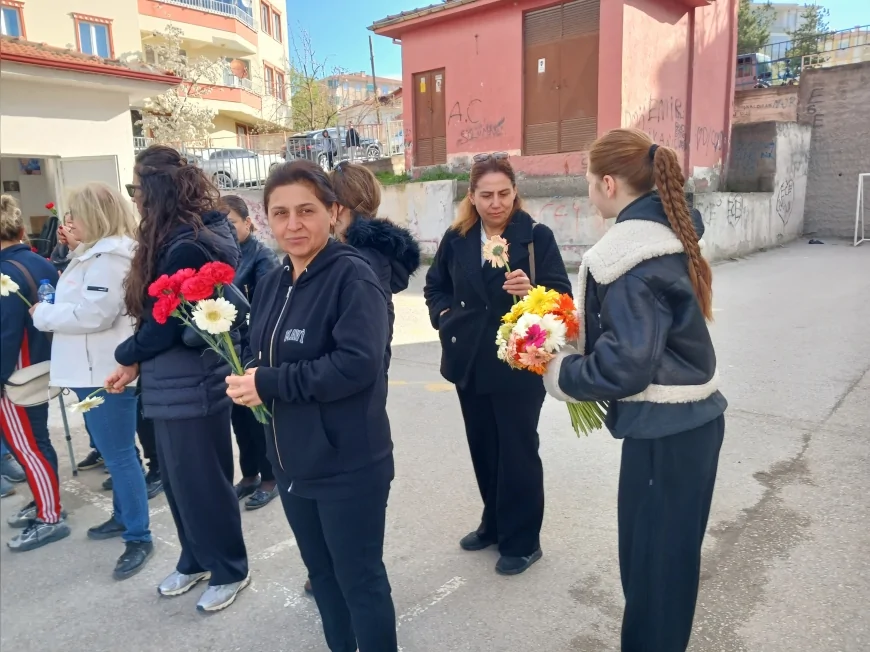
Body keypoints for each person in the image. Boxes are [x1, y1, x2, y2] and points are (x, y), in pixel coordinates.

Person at [542, 129, 728, 652]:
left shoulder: (624, 257)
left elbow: (626, 367)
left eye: (586, 180)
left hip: (667, 435)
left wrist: (560, 371)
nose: (587, 191)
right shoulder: (668, 234)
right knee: (668, 570)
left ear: (607, 182)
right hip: (692, 424)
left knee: (652, 576)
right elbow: (645, 339)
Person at [226, 160, 397, 652]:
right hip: (293, 462)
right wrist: (247, 377)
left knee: (359, 581)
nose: (293, 224)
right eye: (280, 214)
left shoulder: (353, 278)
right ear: (266, 220)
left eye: (306, 210)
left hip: (348, 464)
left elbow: (357, 365)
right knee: (322, 577)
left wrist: (272, 382)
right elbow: (267, 352)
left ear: (334, 212)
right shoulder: (276, 280)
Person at [106, 145, 249, 612]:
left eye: (137, 189)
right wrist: (136, 360)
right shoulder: (173, 234)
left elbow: (164, 324)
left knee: (204, 481)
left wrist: (127, 354)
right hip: (169, 383)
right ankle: (195, 559)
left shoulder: (187, 241)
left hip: (193, 382)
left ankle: (230, 567)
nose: (136, 199)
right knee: (177, 480)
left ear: (156, 189)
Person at [423, 153, 571, 576]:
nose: (495, 203)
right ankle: (493, 522)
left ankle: (523, 540)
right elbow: (436, 287)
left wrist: (532, 289)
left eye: (504, 193)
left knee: (518, 451)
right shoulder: (458, 237)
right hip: (468, 359)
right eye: (486, 195)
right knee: (484, 447)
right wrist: (445, 316)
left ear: (515, 192)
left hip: (519, 360)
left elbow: (562, 297)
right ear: (471, 195)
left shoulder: (534, 238)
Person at [31, 182, 153, 580]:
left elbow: (93, 315)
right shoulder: (98, 253)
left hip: (102, 371)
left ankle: (138, 534)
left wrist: (43, 314)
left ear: (95, 217)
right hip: (94, 369)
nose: (69, 222)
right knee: (116, 450)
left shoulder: (109, 258)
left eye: (75, 214)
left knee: (117, 454)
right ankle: (124, 517)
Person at [0, 194, 70, 551]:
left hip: (15, 377)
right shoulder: (40, 262)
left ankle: (50, 515)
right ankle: (46, 500)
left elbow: (5, 334)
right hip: (42, 365)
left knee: (28, 447)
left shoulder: (3, 272)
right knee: (37, 442)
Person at [221, 194, 280, 510]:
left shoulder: (262, 257)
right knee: (238, 417)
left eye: (231, 223)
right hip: (228, 346)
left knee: (258, 418)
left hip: (252, 347)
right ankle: (250, 475)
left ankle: (271, 478)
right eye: (221, 225)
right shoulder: (222, 254)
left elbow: (265, 307)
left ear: (247, 222)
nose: (227, 230)